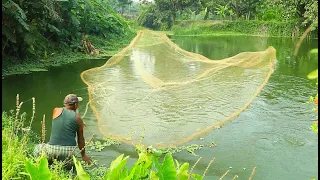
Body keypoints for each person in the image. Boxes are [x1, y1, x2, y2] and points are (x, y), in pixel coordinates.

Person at [34, 94, 92, 167]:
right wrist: (84, 156)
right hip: (68, 152)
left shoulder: (56, 110)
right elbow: (81, 139)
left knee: (37, 148)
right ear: (75, 104)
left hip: (52, 149)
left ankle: (42, 165)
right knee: (69, 167)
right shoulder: (78, 118)